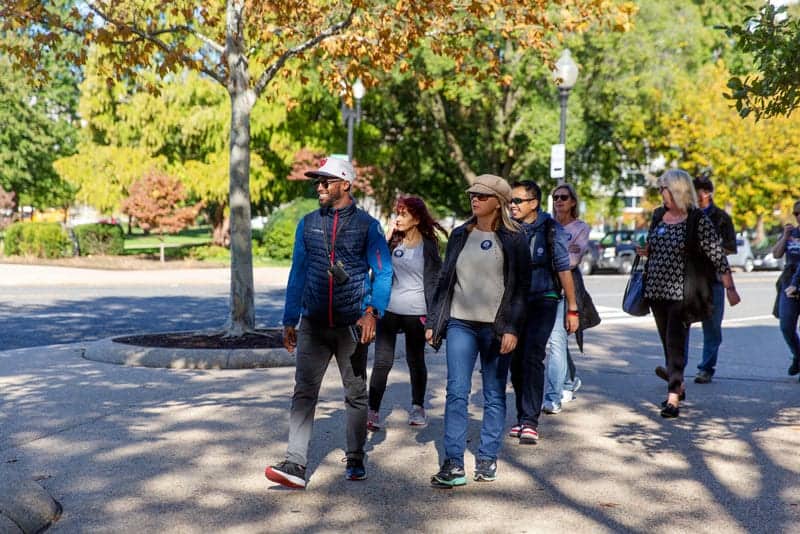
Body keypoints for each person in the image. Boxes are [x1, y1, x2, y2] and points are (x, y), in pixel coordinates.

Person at [265, 156, 393, 489]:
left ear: (345, 184)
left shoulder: (368, 226)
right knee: (303, 392)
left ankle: (355, 456)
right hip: (314, 323)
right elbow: (298, 272)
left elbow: (383, 272)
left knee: (355, 394)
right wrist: (289, 318)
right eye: (317, 181)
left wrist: (372, 312)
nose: (319, 186)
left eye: (326, 181)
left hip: (352, 325)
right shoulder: (307, 224)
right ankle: (295, 463)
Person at [425, 174, 530, 487]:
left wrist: (512, 327)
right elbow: (446, 281)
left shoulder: (515, 238)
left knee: (494, 393)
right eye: (472, 194)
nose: (475, 199)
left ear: (497, 202)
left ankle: (486, 456)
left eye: (482, 196)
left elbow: (522, 288)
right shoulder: (460, 234)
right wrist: (434, 322)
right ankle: (453, 462)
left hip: (497, 327)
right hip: (460, 322)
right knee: (457, 390)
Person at [640, 169, 740, 419]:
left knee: (675, 342)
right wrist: (647, 251)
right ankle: (679, 382)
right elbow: (653, 246)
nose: (660, 192)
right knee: (667, 341)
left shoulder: (696, 219)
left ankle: (673, 397)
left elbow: (717, 254)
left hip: (682, 292)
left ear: (676, 189)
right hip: (655, 290)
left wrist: (730, 288)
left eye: (662, 188)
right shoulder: (658, 215)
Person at [507, 180, 578, 443]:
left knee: (532, 355)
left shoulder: (551, 229)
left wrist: (572, 308)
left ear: (534, 203)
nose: (512, 205)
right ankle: (521, 415)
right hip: (514, 302)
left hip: (544, 299)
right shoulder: (508, 228)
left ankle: (529, 421)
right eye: (510, 201)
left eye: (518, 201)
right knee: (514, 358)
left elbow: (563, 268)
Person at [367, 196, 446, 431]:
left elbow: (436, 282)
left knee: (415, 360)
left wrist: (434, 319)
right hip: (388, 310)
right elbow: (376, 271)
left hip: (416, 313)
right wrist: (387, 239)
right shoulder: (391, 243)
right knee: (382, 362)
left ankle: (418, 407)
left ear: (417, 218)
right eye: (397, 213)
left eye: (403, 214)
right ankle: (372, 411)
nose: (398, 219)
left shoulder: (429, 246)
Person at [543, 183, 591, 413]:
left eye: (563, 197)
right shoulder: (547, 224)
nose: (558, 201)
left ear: (573, 201)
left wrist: (549, 257)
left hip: (566, 289)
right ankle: (569, 380)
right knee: (555, 341)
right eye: (555, 197)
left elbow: (573, 260)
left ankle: (553, 396)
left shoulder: (581, 227)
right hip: (543, 287)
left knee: (556, 342)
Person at [690, 173, 737, 384]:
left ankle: (706, 368)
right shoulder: (686, 215)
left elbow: (729, 247)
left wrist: (711, 250)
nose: (693, 196)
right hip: (688, 278)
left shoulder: (721, 218)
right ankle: (675, 366)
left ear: (707, 193)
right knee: (679, 324)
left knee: (712, 327)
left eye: (697, 192)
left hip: (714, 279)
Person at [772, 199, 800, 378]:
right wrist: (784, 236)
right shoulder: (792, 233)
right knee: (786, 325)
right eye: (796, 213)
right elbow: (776, 254)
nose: (799, 216)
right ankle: (798, 355)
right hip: (789, 282)